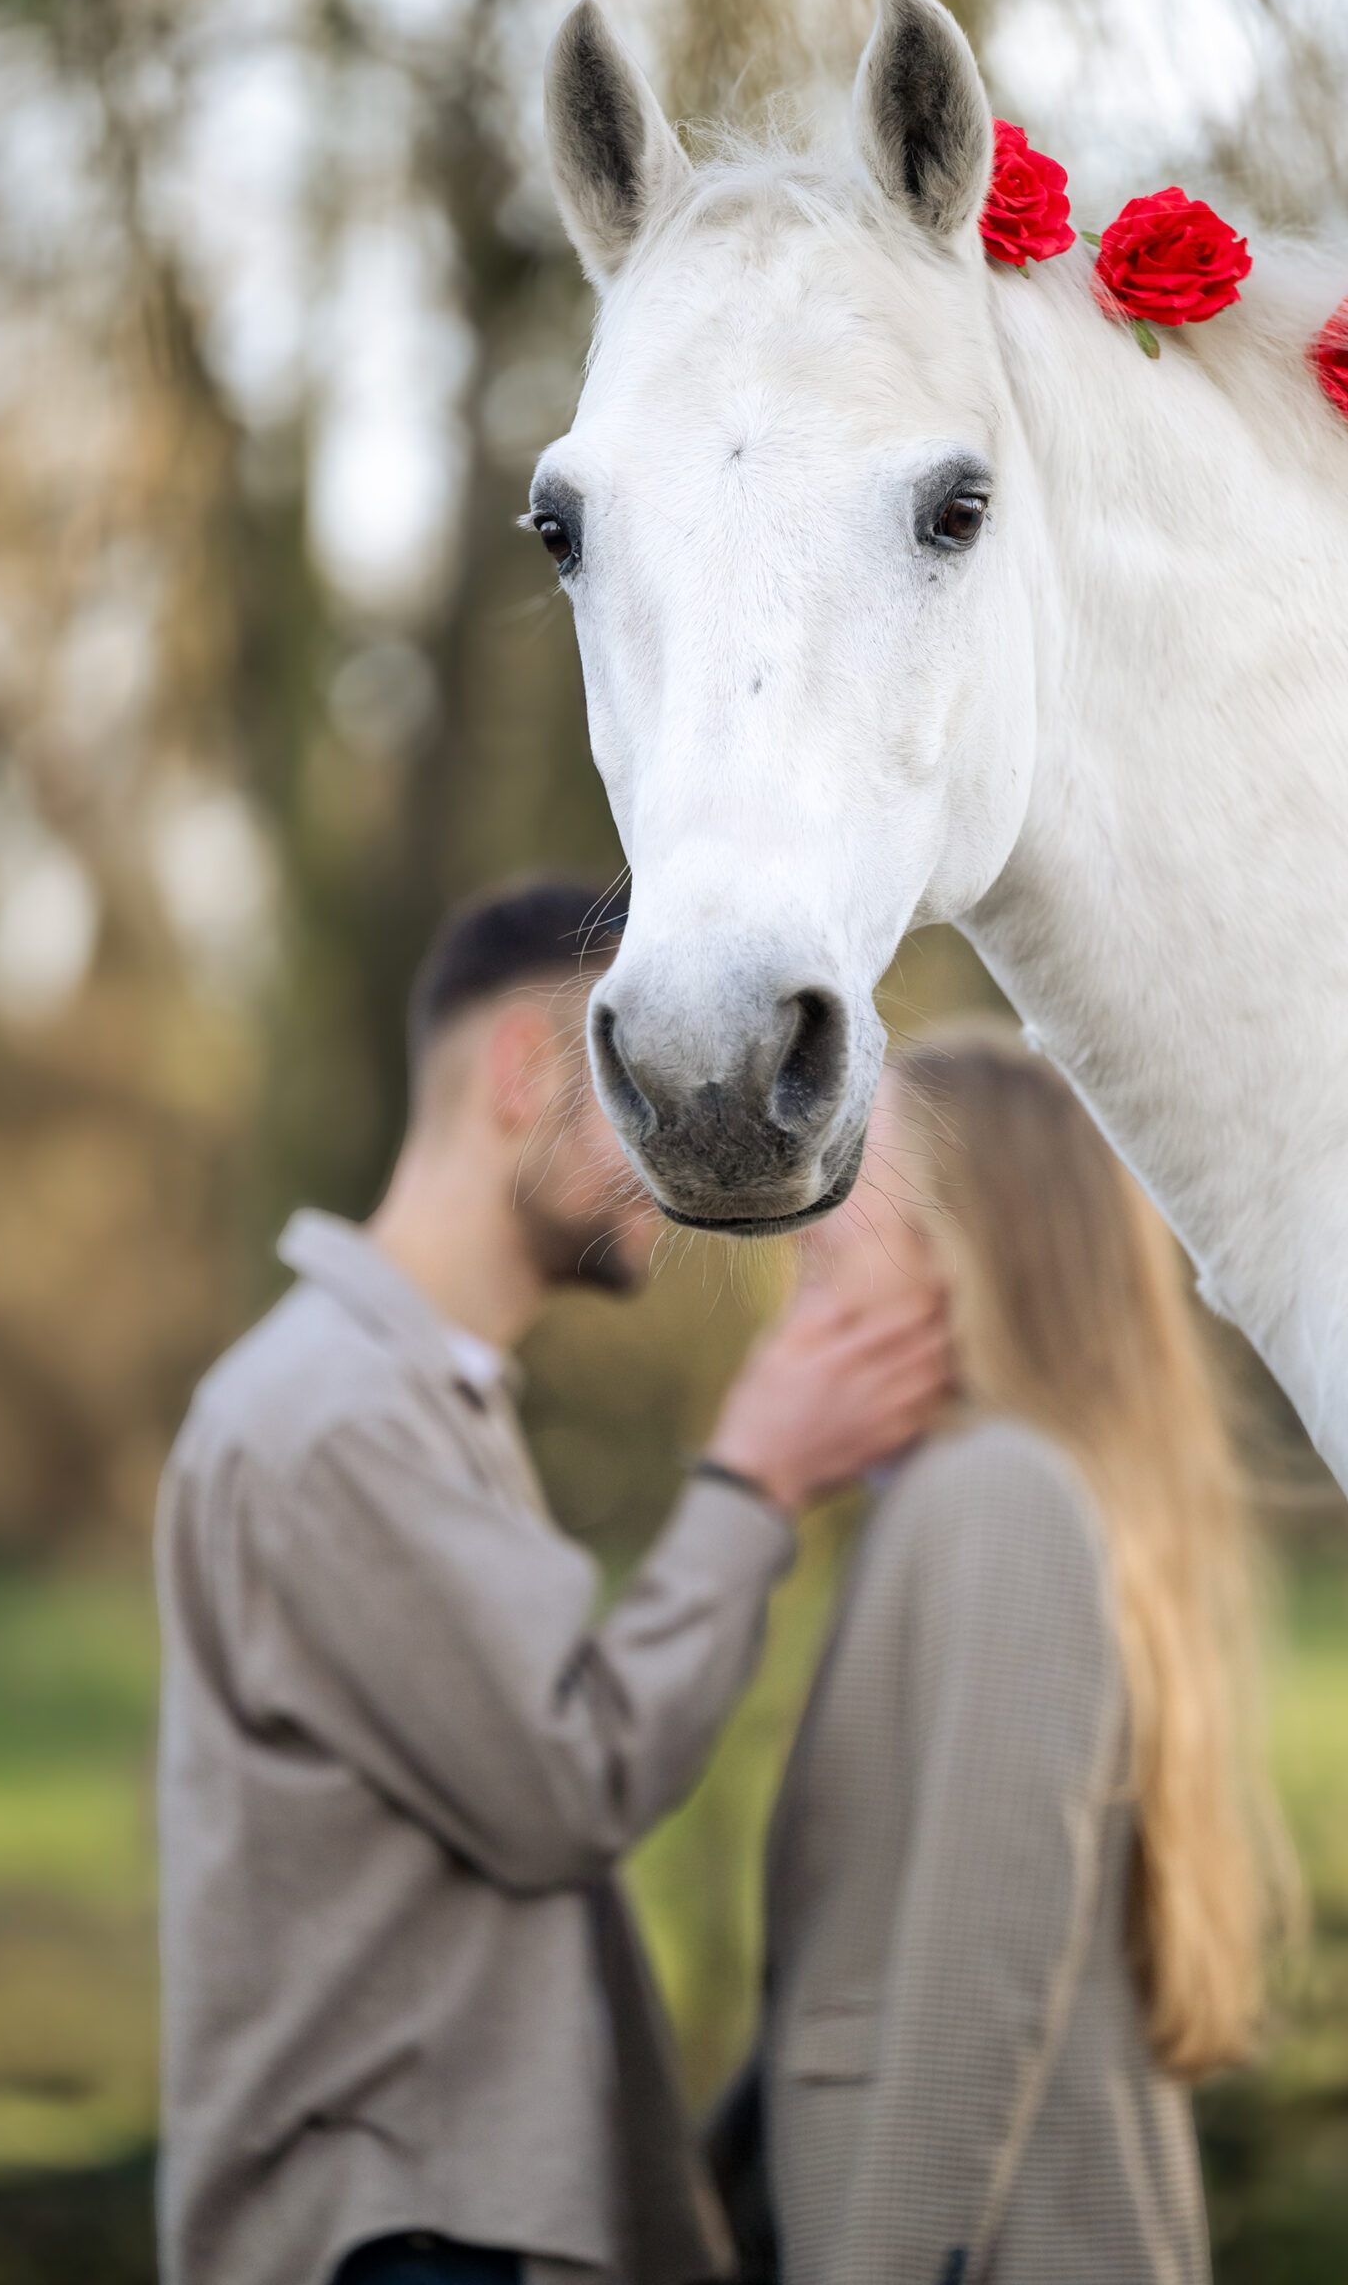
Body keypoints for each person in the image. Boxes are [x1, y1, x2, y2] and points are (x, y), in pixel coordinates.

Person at [155, 881, 954, 2285]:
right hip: (404, 2238)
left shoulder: (413, 1401)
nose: (673, 1148)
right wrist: (751, 1481)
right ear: (528, 1072)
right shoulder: (332, 1418)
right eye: (628, 1074)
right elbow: (568, 1778)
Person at [712, 1021, 1286, 2285]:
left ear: (980, 1239)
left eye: (854, 1176)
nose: (807, 1218)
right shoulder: (958, 1492)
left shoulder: (1004, 1496)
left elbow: (980, 1965)